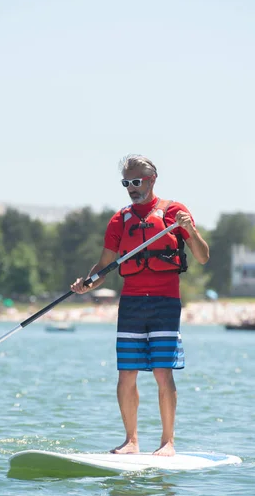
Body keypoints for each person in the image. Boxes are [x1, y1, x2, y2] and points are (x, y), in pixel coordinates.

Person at [71, 155, 209, 456]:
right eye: (126, 183)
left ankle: (167, 442)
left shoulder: (175, 212)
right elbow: (105, 265)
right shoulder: (119, 220)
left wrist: (191, 230)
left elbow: (202, 256)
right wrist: (88, 284)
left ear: (152, 180)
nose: (131, 188)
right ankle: (131, 441)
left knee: (163, 372)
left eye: (137, 182)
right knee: (126, 373)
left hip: (166, 302)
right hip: (132, 302)